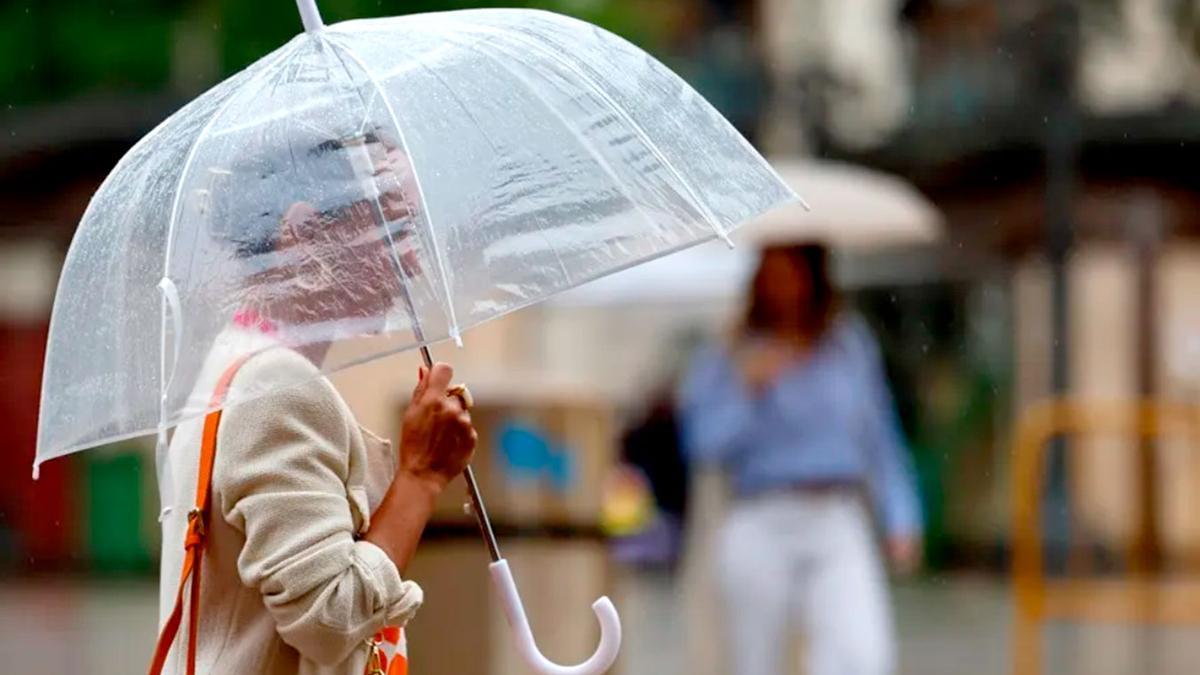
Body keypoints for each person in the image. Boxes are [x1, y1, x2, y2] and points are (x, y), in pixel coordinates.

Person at [155, 131, 477, 674]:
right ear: (305, 232)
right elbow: (331, 619)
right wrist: (421, 477)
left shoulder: (240, 363)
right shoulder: (277, 387)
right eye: (396, 228)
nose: (414, 261)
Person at [678, 243, 921, 675]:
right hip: (761, 513)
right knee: (755, 658)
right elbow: (703, 445)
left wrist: (901, 514)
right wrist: (745, 391)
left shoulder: (847, 344)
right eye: (772, 274)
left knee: (861, 655)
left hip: (836, 513)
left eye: (791, 273)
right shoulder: (731, 348)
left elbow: (879, 436)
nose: (782, 287)